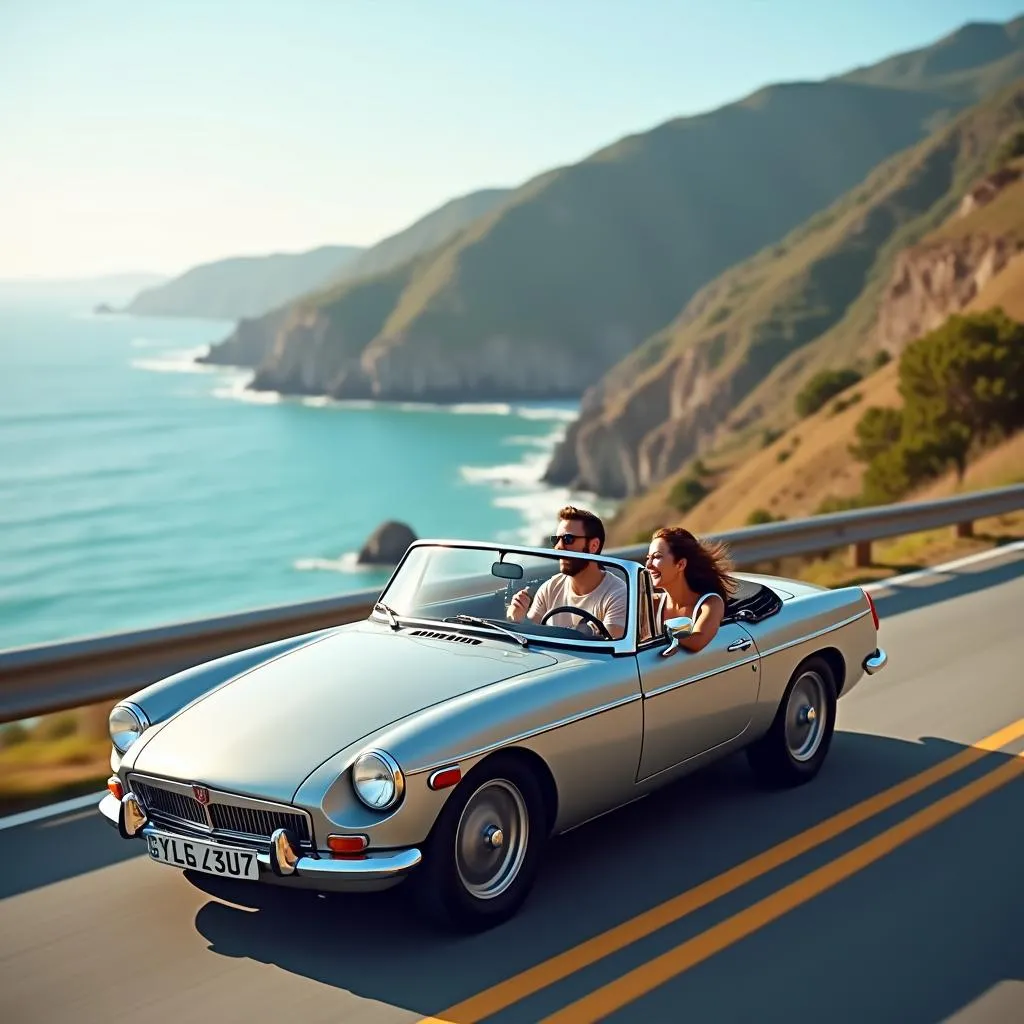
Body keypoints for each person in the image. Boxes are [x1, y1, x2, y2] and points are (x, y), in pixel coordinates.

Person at [507, 505, 628, 639]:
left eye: (568, 539)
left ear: (593, 546)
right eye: (556, 539)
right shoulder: (550, 588)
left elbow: (609, 650)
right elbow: (529, 636)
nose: (558, 547)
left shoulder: (618, 595)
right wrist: (517, 618)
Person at [645, 526, 737, 653]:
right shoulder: (652, 605)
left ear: (680, 564)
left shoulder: (711, 603)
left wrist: (668, 630)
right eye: (648, 558)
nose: (648, 565)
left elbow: (697, 642)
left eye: (657, 557)